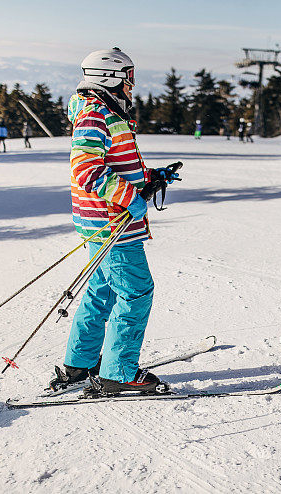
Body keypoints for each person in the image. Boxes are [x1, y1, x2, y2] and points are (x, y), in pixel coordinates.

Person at [50, 47, 177, 396]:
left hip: (104, 221)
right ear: (110, 78)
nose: (132, 85)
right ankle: (118, 373)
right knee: (136, 292)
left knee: (102, 291)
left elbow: (116, 166)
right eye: (129, 77)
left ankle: (81, 362)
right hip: (111, 223)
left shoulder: (105, 113)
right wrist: (131, 197)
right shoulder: (95, 116)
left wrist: (150, 177)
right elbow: (87, 171)